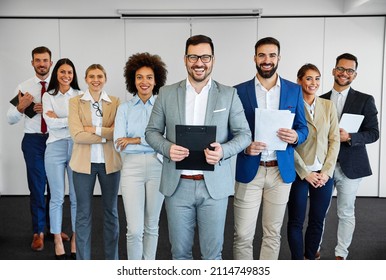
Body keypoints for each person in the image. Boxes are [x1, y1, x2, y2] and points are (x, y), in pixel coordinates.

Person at [145, 34, 251, 260]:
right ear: (185, 59)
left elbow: (244, 135)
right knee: (179, 254)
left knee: (212, 256)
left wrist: (223, 151)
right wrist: (166, 148)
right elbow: (151, 132)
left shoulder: (229, 94)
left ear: (213, 59)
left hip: (214, 188)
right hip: (177, 186)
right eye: (193, 57)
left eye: (205, 57)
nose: (199, 63)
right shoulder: (166, 93)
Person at [233, 37, 309, 260]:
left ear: (278, 58)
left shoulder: (294, 90)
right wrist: (245, 147)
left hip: (280, 172)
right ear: (255, 58)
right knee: (243, 235)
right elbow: (230, 131)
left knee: (272, 234)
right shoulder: (238, 91)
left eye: (272, 55)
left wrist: (296, 136)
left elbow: (303, 128)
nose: (267, 60)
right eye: (262, 55)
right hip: (250, 171)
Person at [320, 53, 379, 260]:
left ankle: (341, 255)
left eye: (349, 70)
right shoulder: (320, 99)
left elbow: (374, 133)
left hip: (351, 165)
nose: (344, 73)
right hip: (323, 166)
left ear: (354, 75)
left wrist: (351, 137)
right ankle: (314, 249)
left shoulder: (365, 100)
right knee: (320, 212)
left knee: (345, 212)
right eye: (341, 69)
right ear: (333, 71)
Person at [114, 52, 167, 260]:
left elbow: (165, 141)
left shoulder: (163, 107)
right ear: (132, 80)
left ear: (156, 81)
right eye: (139, 77)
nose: (144, 82)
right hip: (132, 168)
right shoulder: (124, 109)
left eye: (149, 77)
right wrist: (152, 141)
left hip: (158, 166)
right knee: (134, 230)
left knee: (152, 225)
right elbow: (119, 143)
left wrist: (134, 140)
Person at [286, 63, 340, 260]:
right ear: (299, 80)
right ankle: (298, 262)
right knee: (296, 221)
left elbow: (334, 140)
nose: (313, 83)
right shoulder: (291, 106)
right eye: (309, 78)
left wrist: (326, 172)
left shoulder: (328, 106)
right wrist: (305, 172)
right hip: (299, 173)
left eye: (317, 78)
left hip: (323, 175)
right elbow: (286, 145)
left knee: (318, 220)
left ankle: (310, 258)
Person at [68, 64, 122, 260]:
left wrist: (93, 130)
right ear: (86, 78)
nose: (96, 79)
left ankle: (112, 262)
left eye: (99, 76)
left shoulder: (115, 102)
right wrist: (104, 135)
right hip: (83, 165)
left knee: (111, 213)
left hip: (110, 164)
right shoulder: (75, 102)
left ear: (105, 78)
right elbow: (77, 135)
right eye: (91, 76)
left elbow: (118, 132)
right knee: (83, 215)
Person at [6, 46, 54, 251]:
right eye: (38, 60)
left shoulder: (59, 86)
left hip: (56, 140)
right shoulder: (23, 87)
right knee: (37, 187)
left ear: (51, 63)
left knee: (56, 188)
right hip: (33, 141)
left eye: (45, 60)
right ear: (32, 63)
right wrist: (21, 106)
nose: (42, 64)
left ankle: (55, 228)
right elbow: (10, 119)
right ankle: (38, 232)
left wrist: (51, 109)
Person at [43, 58, 81, 259]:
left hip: (77, 147)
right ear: (56, 73)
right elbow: (49, 123)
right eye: (62, 72)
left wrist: (60, 120)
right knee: (57, 196)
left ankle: (75, 237)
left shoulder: (80, 95)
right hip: (55, 148)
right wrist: (69, 121)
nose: (66, 76)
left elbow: (82, 122)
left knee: (76, 197)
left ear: (73, 75)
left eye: (70, 72)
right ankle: (57, 238)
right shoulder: (48, 96)